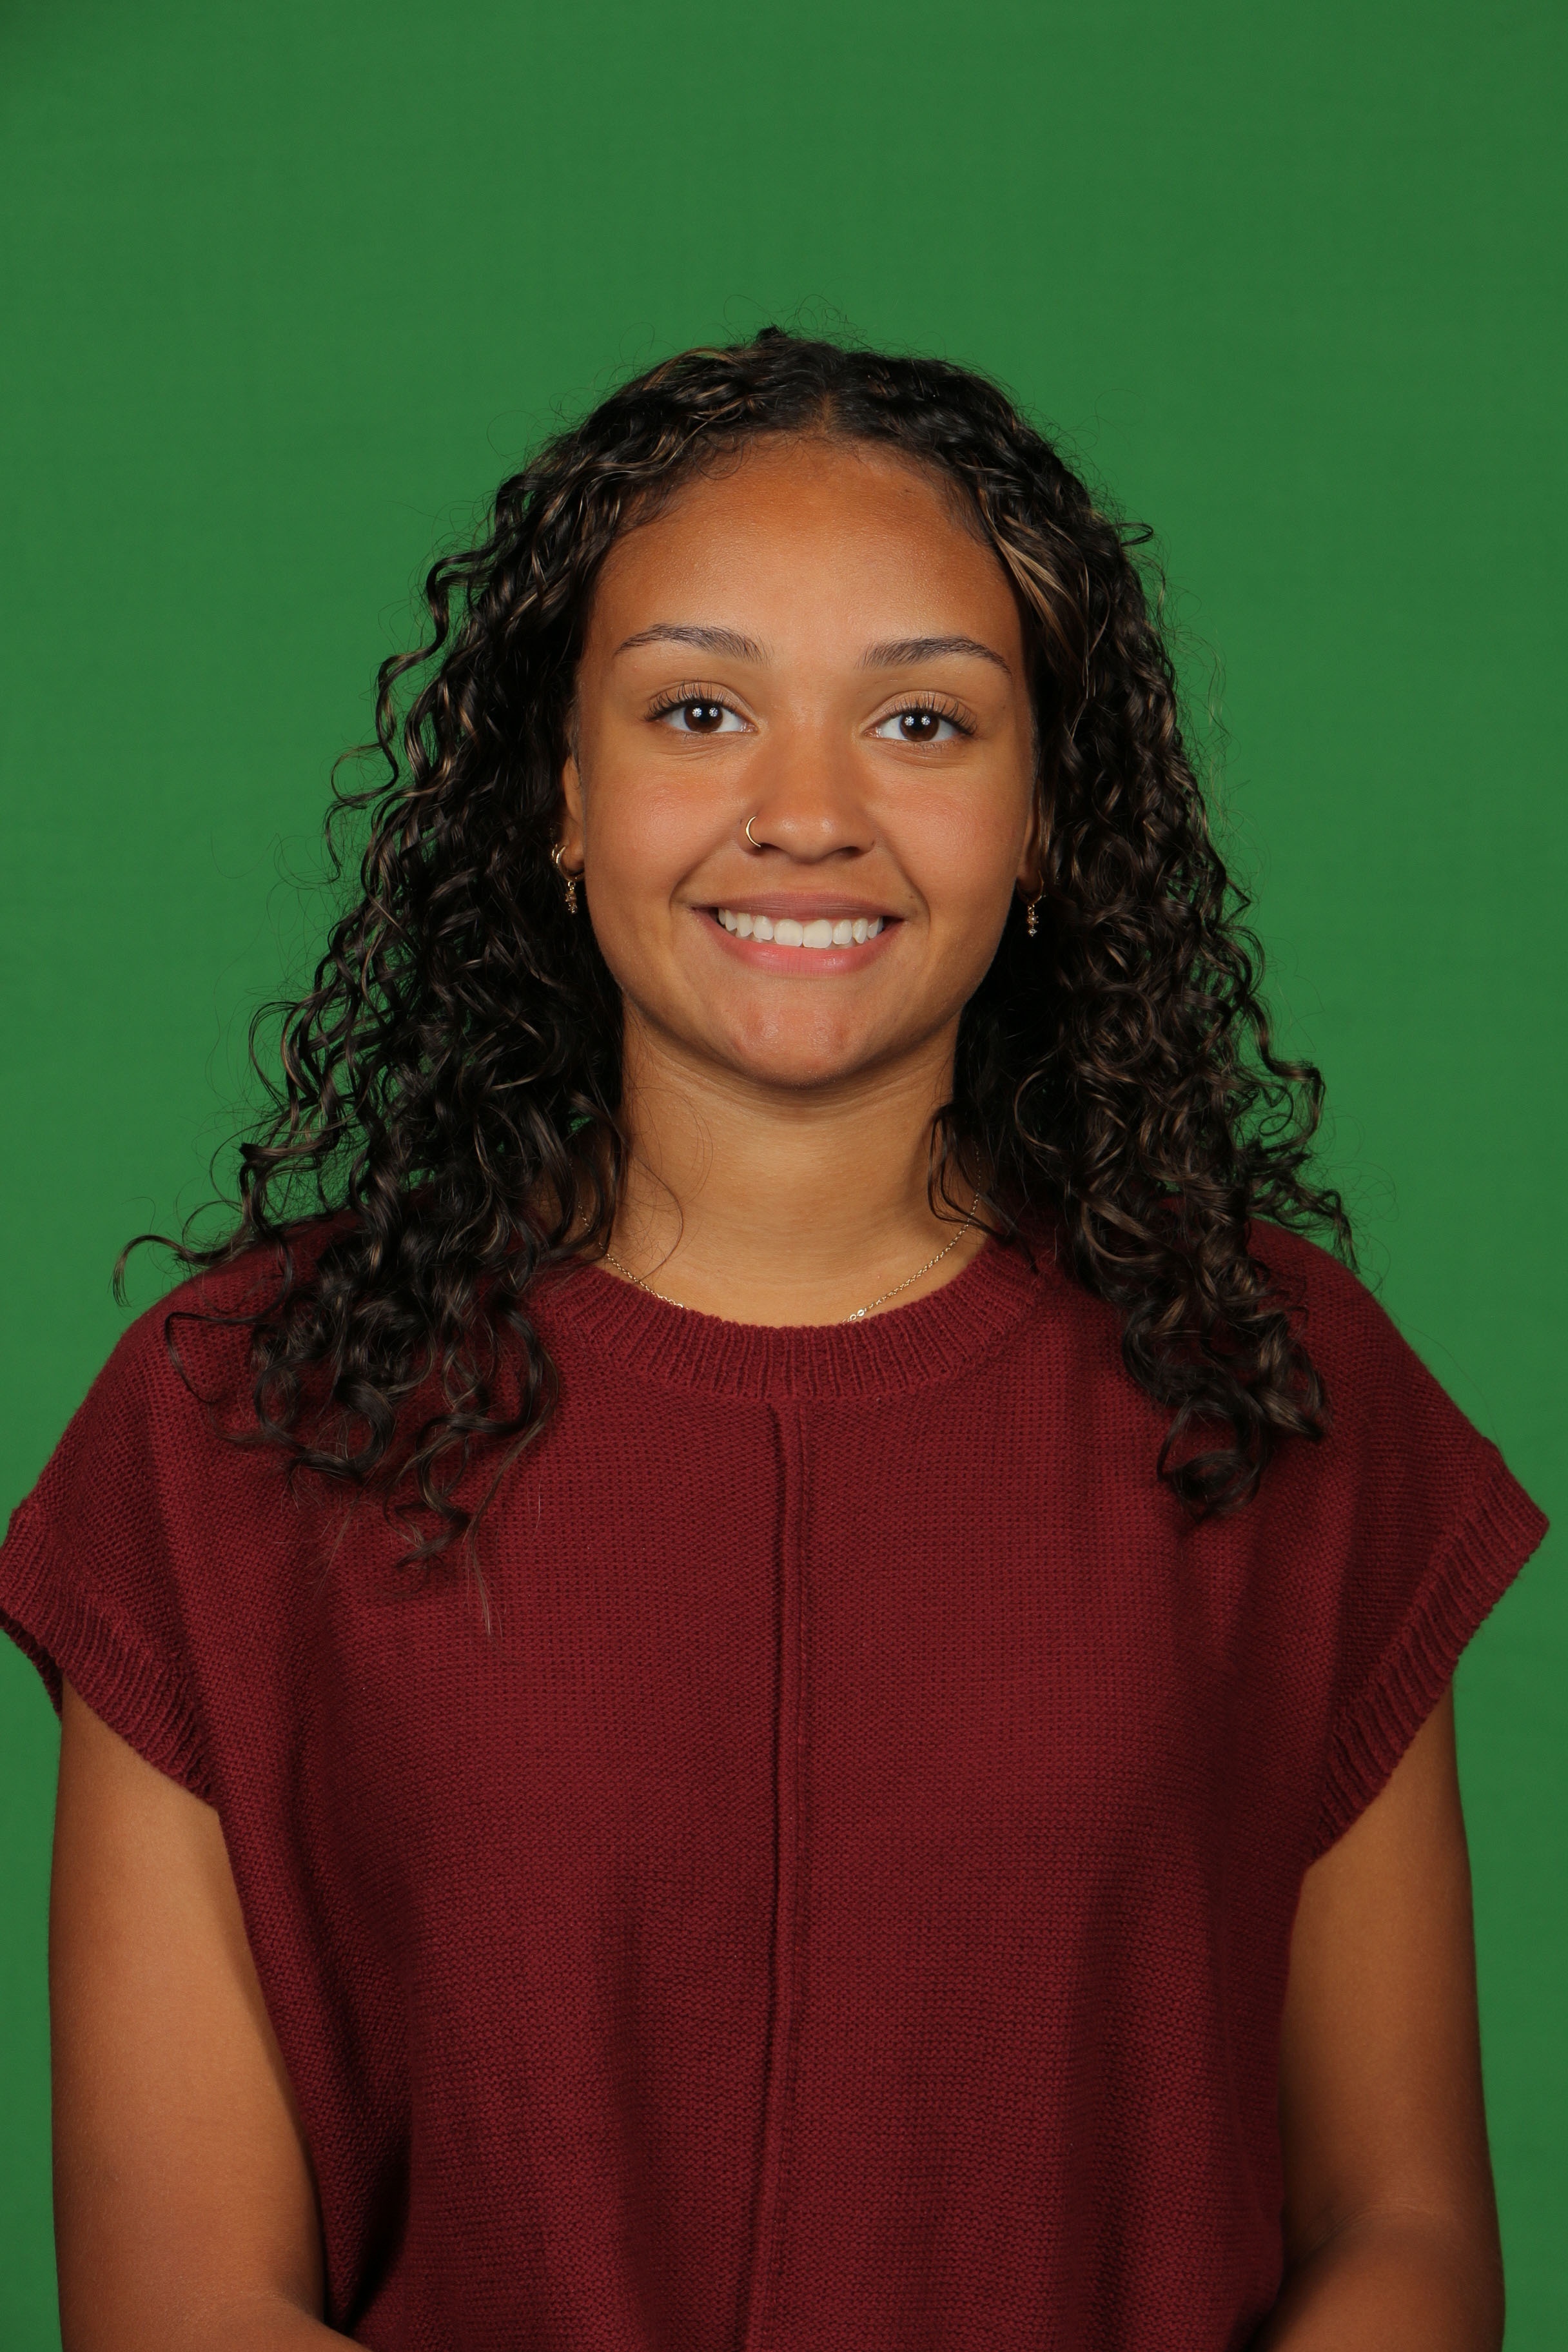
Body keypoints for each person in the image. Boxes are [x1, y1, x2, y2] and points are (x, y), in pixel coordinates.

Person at [0, 331, 1547, 2352]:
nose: (807, 813)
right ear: (564, 798)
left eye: (922, 720)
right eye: (701, 709)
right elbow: (178, 2301)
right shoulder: (235, 1422)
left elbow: (1407, 2234)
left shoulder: (1270, 1382)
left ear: (1047, 816)